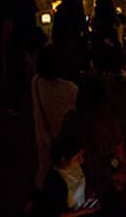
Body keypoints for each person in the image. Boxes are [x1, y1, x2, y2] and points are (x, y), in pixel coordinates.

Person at [63, 78, 126, 216]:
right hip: (104, 183)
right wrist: (121, 171)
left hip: (78, 185)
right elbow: (121, 157)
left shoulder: (71, 120)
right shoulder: (111, 123)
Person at [32, 46, 79, 188]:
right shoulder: (70, 88)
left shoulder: (35, 82)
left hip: (43, 136)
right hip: (63, 138)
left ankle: (39, 196)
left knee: (44, 169)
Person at [0, 0, 41, 114]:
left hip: (16, 39)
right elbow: (34, 10)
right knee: (29, 68)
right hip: (29, 34)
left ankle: (17, 105)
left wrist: (4, 44)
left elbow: (8, 23)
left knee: (15, 71)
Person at [38, 136, 97, 217]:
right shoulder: (54, 181)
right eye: (77, 158)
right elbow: (58, 214)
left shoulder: (75, 166)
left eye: (82, 155)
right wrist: (82, 212)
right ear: (63, 159)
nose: (82, 160)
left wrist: (87, 195)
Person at [51, 0, 88, 83]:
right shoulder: (76, 12)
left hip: (62, 47)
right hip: (72, 48)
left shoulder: (60, 12)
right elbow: (83, 31)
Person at [89, 0, 126, 80]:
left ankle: (100, 70)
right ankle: (119, 69)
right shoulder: (119, 19)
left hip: (101, 58)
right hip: (117, 56)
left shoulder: (95, 23)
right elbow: (124, 35)